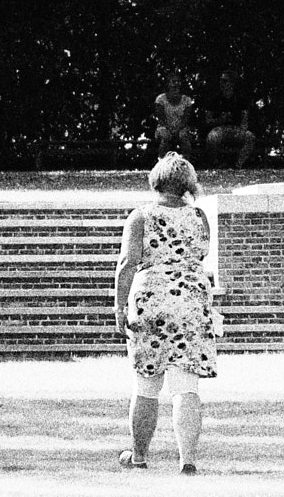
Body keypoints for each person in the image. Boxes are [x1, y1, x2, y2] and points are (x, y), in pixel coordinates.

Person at [114, 152, 221, 472]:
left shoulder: (140, 217)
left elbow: (127, 264)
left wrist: (119, 306)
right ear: (187, 183)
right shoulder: (199, 216)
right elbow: (200, 257)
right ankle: (187, 461)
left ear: (156, 180)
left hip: (151, 301)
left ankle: (139, 456)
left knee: (146, 384)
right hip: (191, 301)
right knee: (186, 386)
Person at [153, 76, 200, 158]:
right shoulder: (160, 99)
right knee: (166, 136)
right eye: (173, 82)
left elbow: (186, 119)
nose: (176, 84)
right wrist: (169, 130)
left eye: (178, 82)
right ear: (168, 84)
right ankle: (161, 161)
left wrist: (178, 130)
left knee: (184, 136)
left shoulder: (187, 100)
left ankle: (186, 161)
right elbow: (161, 119)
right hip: (164, 127)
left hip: (181, 127)